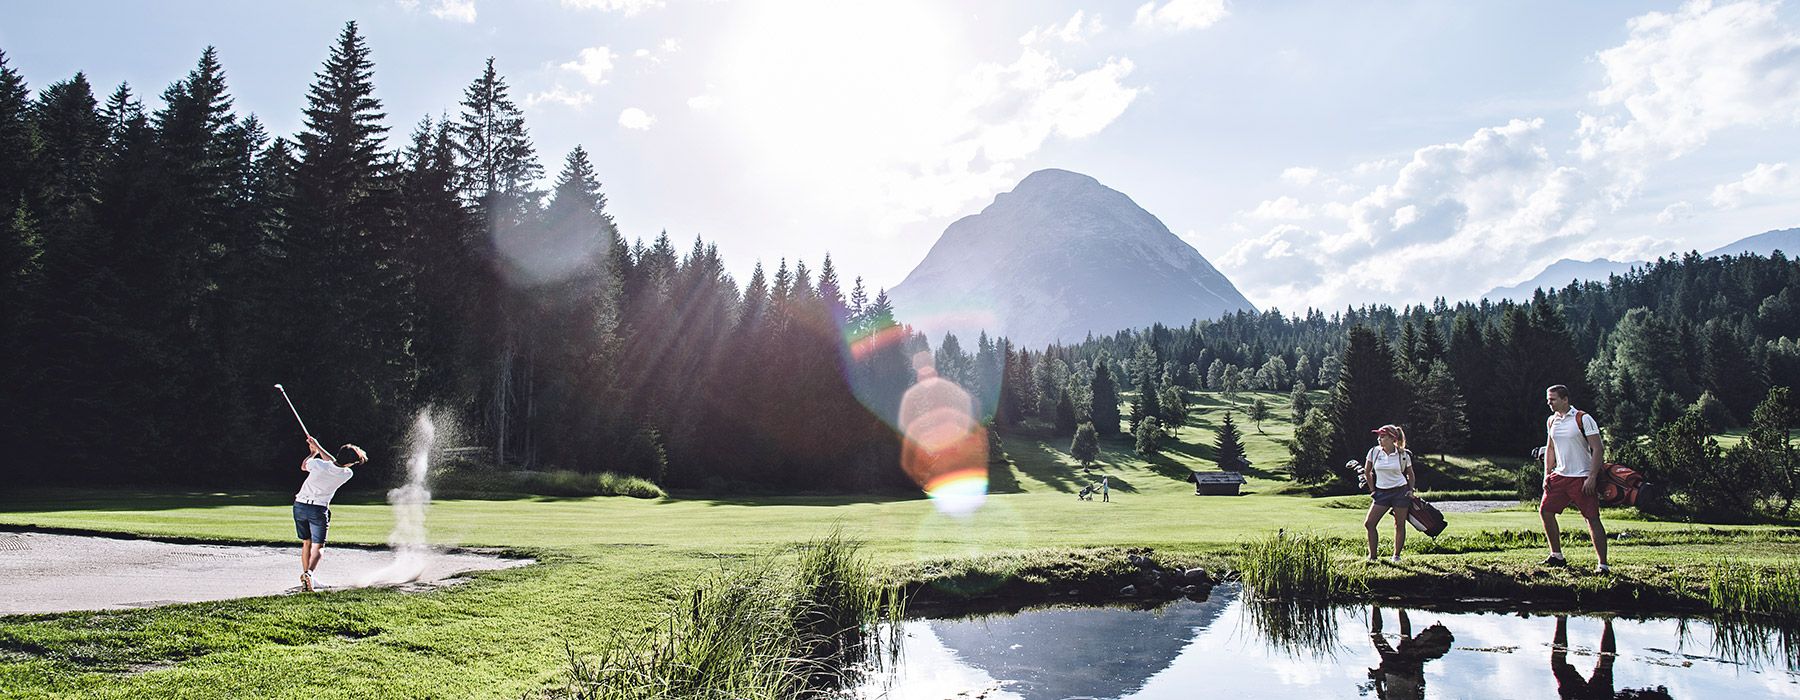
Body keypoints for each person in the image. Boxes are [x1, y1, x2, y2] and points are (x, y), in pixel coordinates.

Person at [1540, 384, 1610, 573]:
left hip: (1582, 478)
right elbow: (1551, 448)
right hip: (1560, 476)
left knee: (1592, 519)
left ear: (1565, 399)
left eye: (1552, 399)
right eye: (1548, 399)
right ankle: (1557, 556)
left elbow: (1598, 449)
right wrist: (1547, 474)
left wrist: (1592, 477)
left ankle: (1603, 565)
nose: (1549, 403)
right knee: (1545, 511)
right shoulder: (1551, 421)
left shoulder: (1583, 419)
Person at [294, 435, 366, 592]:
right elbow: (334, 463)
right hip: (318, 510)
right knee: (319, 547)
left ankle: (308, 578)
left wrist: (313, 452)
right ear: (350, 463)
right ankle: (309, 574)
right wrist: (318, 448)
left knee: (306, 542)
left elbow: (304, 465)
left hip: (299, 506)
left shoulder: (318, 464)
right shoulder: (347, 474)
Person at [1367, 605, 1453, 700]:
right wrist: (1378, 677)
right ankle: (1388, 606)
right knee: (1399, 638)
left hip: (1396, 668)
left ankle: (1385, 606)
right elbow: (1420, 685)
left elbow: (1421, 685)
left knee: (1401, 637)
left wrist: (1379, 677)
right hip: (1401, 668)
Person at [1363, 424, 1415, 563]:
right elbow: (1367, 471)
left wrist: (1410, 490)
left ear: (1393, 438)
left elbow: (1410, 474)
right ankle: (1372, 557)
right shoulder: (1374, 452)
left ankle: (1396, 556)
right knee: (1369, 523)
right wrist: (1372, 490)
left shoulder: (1403, 454)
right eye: (1379, 436)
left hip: (1400, 492)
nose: (1379, 439)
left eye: (1383, 436)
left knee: (1399, 524)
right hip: (1381, 493)